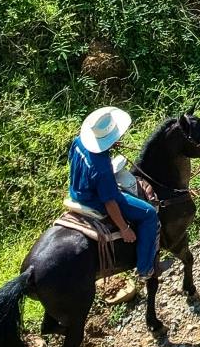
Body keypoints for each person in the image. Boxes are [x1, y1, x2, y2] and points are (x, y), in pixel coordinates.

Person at [66, 106, 160, 281]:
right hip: (94, 201)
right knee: (149, 214)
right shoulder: (101, 168)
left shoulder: (78, 141)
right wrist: (124, 229)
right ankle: (145, 268)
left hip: (76, 192)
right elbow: (110, 202)